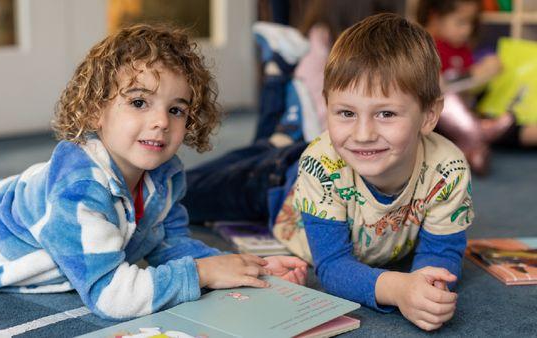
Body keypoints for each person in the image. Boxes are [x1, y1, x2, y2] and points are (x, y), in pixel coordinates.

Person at [0, 24, 307, 320]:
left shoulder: (166, 174)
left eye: (176, 109)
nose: (161, 121)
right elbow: (112, 296)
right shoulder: (79, 186)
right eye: (139, 102)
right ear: (95, 110)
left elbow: (169, 244)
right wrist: (204, 274)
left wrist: (247, 267)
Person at [188, 13, 473, 331]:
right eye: (346, 113)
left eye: (386, 113)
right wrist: (399, 289)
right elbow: (333, 265)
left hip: (311, 156)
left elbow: (441, 251)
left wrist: (429, 286)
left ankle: (284, 99)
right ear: (328, 106)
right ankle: (280, 80)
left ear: (429, 115)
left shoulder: (448, 170)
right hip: (272, 181)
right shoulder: (320, 164)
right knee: (181, 193)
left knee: (266, 143)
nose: (364, 133)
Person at [417, 0, 537, 174]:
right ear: (434, 17)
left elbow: (469, 90)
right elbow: (433, 87)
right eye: (460, 22)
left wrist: (483, 76)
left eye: (471, 23)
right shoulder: (422, 46)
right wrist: (473, 74)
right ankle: (479, 134)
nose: (467, 30)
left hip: (467, 115)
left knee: (506, 119)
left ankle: (476, 139)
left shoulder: (461, 49)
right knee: (446, 101)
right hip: (432, 119)